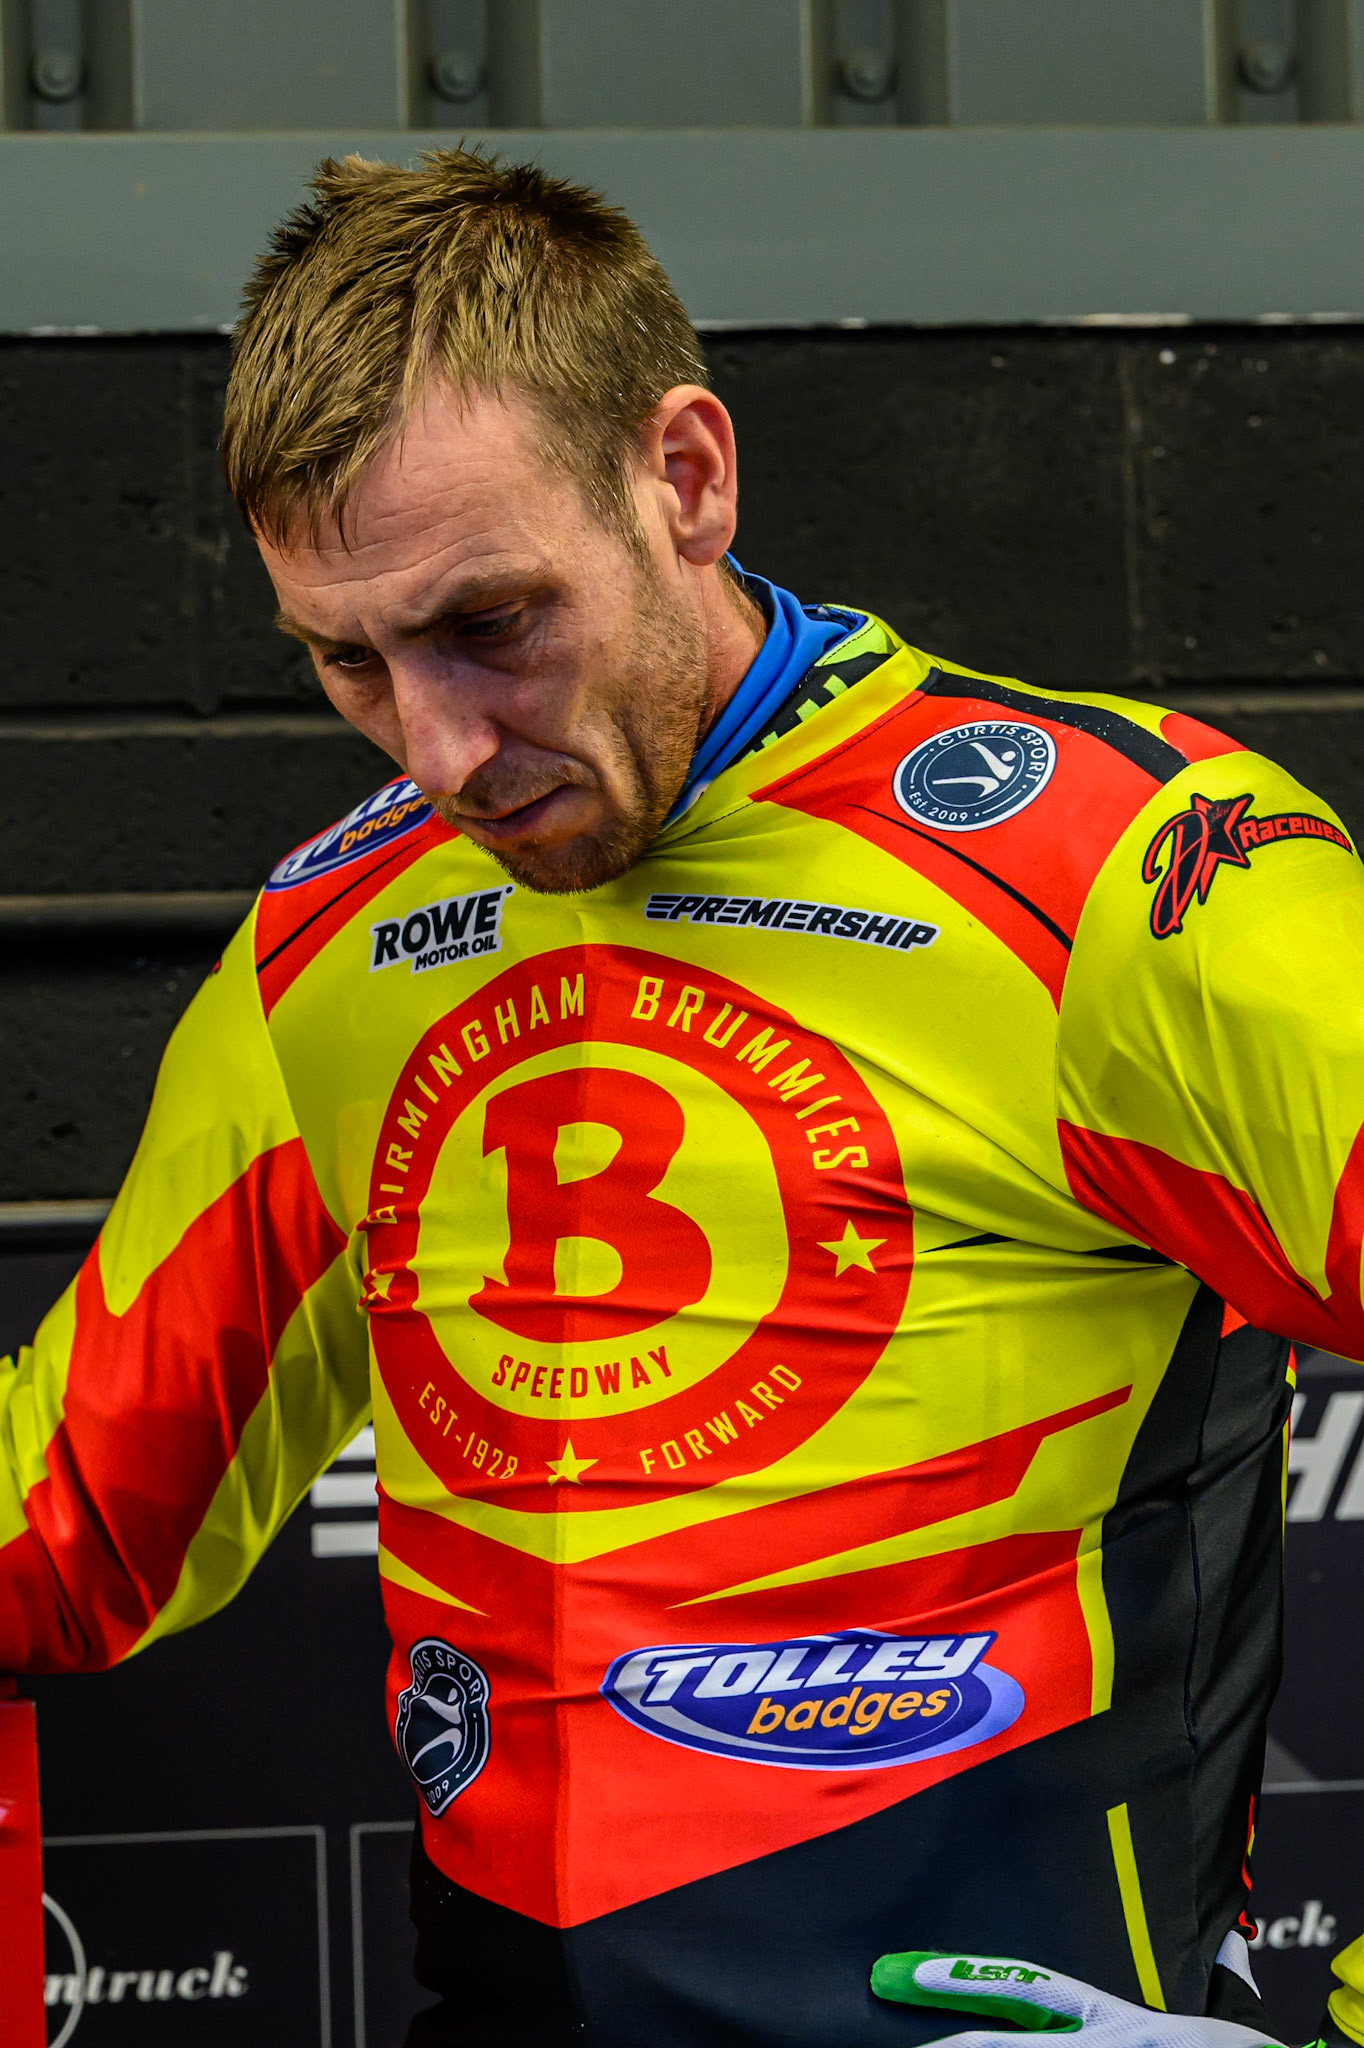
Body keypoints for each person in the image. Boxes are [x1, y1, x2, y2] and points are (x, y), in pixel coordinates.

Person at [1, 145, 1362, 2048]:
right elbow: (63, 1518)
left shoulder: (1119, 872)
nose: (444, 749)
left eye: (491, 623)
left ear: (688, 478)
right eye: (348, 662)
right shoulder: (325, 948)